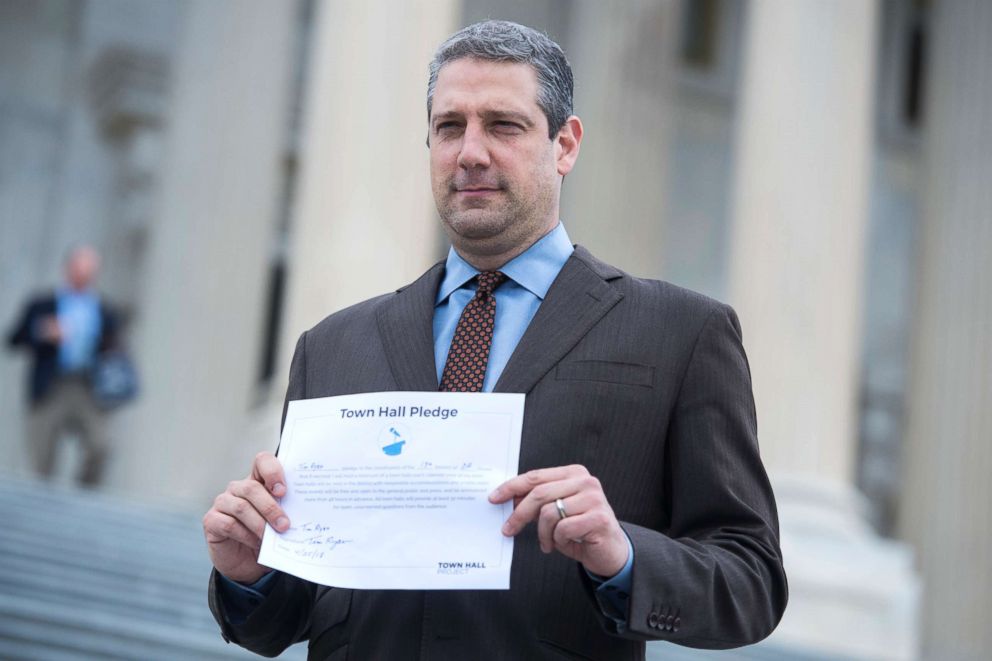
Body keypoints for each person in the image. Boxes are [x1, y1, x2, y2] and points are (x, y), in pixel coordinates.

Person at [203, 20, 787, 660]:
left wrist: (620, 554)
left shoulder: (682, 333)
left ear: (565, 145)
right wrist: (249, 573)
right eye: (450, 127)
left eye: (503, 126)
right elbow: (291, 612)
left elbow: (750, 581)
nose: (470, 152)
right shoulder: (332, 345)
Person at [7, 245, 119, 485]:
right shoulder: (42, 304)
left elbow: (115, 345)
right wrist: (43, 331)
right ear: (69, 268)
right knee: (43, 457)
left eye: (90, 270)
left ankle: (82, 499)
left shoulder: (103, 309)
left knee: (100, 445)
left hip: (87, 386)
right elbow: (14, 339)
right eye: (81, 268)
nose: (85, 274)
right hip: (52, 384)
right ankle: (41, 508)